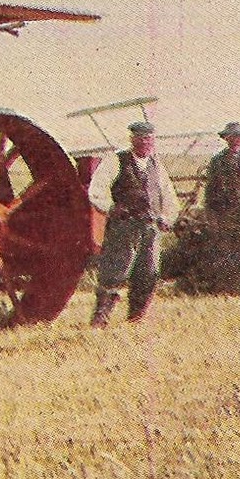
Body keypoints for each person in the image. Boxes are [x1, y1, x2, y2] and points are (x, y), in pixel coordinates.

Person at [87, 120, 180, 326]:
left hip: (150, 228)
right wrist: (111, 208)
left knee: (148, 273)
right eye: (141, 138)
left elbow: (169, 197)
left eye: (149, 139)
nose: (146, 143)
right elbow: (97, 190)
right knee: (115, 271)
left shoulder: (157, 166)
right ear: (132, 139)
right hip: (124, 226)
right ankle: (100, 318)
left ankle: (136, 319)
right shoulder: (116, 160)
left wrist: (167, 218)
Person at [201, 121, 240, 296]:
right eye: (232, 137)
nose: (236, 140)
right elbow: (210, 191)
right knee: (224, 252)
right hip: (224, 214)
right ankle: (226, 289)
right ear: (226, 139)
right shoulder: (217, 161)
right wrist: (211, 215)